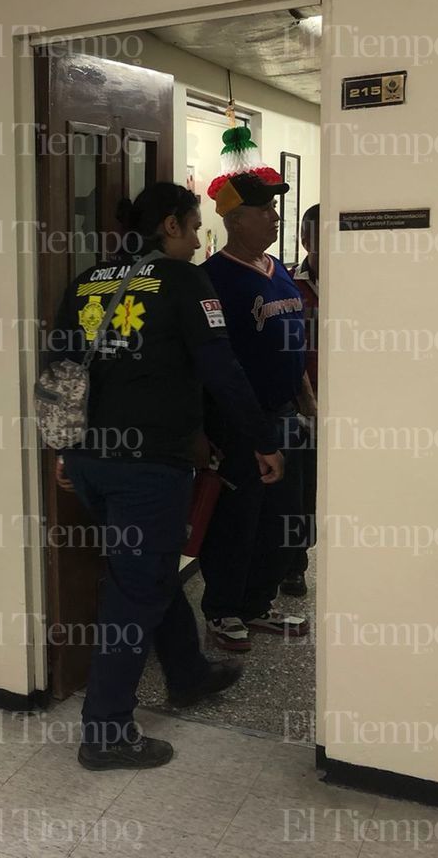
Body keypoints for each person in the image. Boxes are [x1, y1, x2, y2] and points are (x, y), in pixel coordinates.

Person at [48, 182, 284, 770]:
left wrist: (62, 448)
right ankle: (106, 732)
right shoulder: (184, 281)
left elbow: (59, 366)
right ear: (172, 227)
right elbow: (222, 371)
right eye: (196, 223)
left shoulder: (87, 281)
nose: (201, 235)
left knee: (146, 571)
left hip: (89, 462)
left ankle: (187, 673)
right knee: (135, 588)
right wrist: (261, 440)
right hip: (147, 467)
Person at [199, 172, 313, 651]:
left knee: (284, 517)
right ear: (234, 219)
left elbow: (291, 344)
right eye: (265, 209)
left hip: (287, 415)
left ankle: (258, 604)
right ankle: (223, 610)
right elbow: (212, 362)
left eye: (274, 208)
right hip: (241, 422)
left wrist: (307, 399)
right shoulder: (214, 278)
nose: (275, 216)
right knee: (237, 519)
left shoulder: (276, 268)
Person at [282, 204, 320, 596]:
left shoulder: (364, 285)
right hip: (304, 406)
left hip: (360, 410)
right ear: (306, 241)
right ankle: (295, 564)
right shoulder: (289, 287)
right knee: (301, 494)